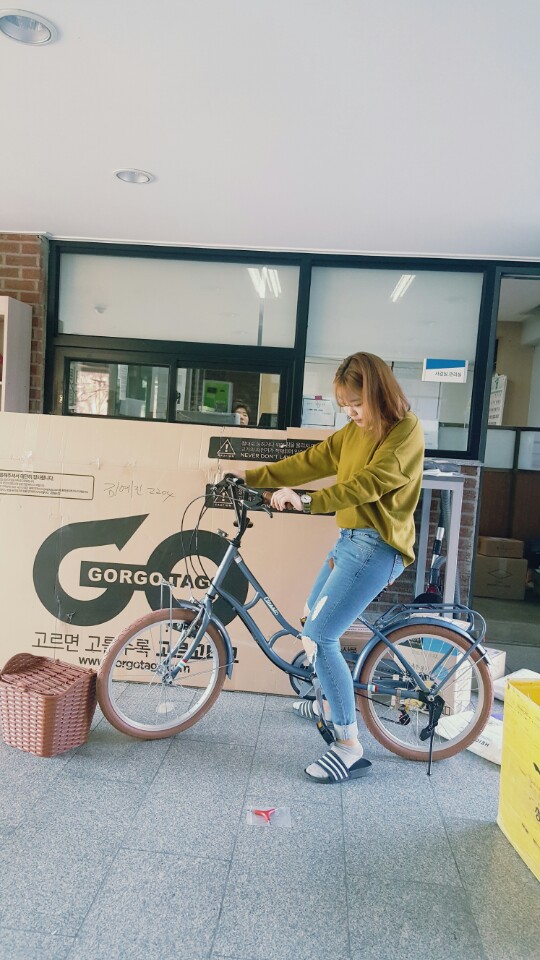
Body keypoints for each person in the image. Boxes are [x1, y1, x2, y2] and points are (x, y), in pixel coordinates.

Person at [233, 352, 425, 784]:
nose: (350, 413)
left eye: (356, 403)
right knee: (310, 622)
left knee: (322, 635)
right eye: (344, 406)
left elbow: (368, 485)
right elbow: (312, 460)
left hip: (378, 547)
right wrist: (252, 476)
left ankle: (349, 746)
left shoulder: (405, 431)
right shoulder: (354, 431)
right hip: (350, 541)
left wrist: (308, 501)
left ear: (378, 394)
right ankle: (327, 701)